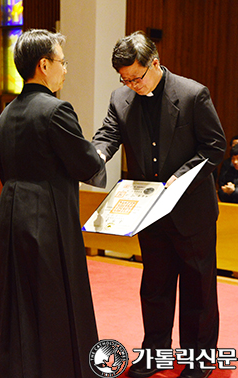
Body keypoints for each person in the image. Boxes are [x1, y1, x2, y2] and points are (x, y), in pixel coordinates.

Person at [92, 31, 226, 378]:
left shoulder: (193, 94)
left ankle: (199, 359)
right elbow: (108, 135)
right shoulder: (120, 98)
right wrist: (96, 155)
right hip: (148, 211)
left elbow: (214, 147)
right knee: (155, 285)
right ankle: (154, 353)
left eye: (137, 77)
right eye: (125, 79)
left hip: (191, 211)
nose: (132, 85)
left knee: (198, 288)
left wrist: (179, 178)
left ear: (155, 63)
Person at [0, 29, 106, 378]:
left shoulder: (6, 113)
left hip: (10, 214)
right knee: (51, 298)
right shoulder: (56, 110)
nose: (65, 69)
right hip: (47, 217)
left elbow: (3, 168)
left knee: (14, 298)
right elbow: (87, 164)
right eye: (62, 62)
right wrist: (98, 152)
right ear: (43, 65)